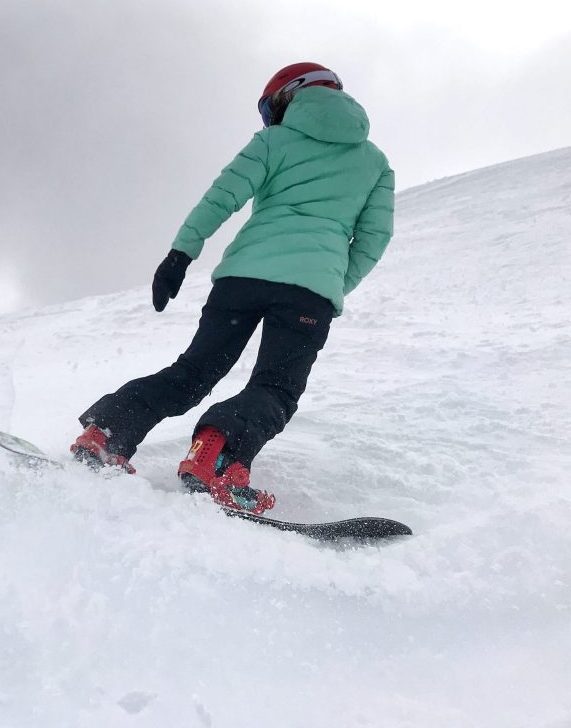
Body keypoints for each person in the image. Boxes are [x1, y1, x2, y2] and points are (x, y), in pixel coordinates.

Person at [70, 62, 395, 515]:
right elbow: (374, 238)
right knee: (276, 387)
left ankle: (106, 434)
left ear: (288, 97)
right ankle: (216, 459)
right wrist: (331, 285)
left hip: (242, 279)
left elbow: (222, 196)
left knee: (193, 372)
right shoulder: (375, 163)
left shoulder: (273, 141)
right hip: (309, 293)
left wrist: (181, 254)